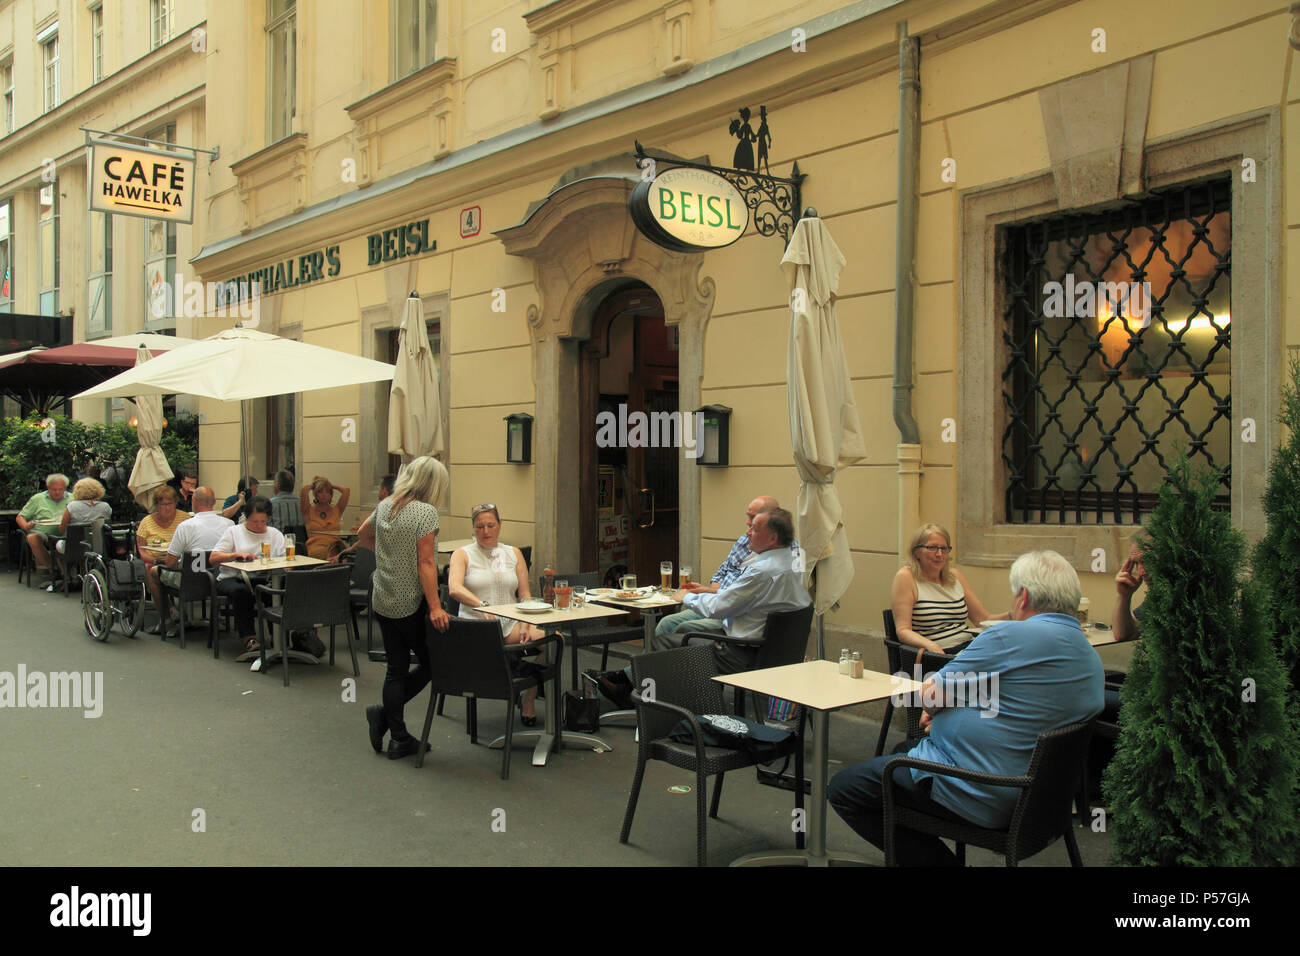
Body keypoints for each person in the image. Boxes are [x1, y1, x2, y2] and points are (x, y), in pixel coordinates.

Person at [828, 550, 1104, 866]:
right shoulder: (1088, 652)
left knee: (845, 789)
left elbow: (929, 697)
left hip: (987, 792)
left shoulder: (1008, 635)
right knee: (903, 749)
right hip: (1044, 804)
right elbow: (1025, 703)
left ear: (1023, 596)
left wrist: (943, 708)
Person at [590, 508, 811, 707]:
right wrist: (706, 592)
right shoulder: (791, 560)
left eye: (754, 529)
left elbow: (719, 608)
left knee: (665, 641)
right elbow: (741, 598)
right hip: (770, 649)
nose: (747, 533)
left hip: (743, 652)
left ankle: (644, 703)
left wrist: (686, 597)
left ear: (772, 538)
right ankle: (643, 688)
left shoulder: (762, 570)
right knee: (683, 629)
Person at [355, 457, 451, 759]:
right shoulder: (425, 512)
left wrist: (388, 558)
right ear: (432, 484)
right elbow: (425, 562)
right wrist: (435, 606)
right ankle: (387, 722)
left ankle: (396, 733)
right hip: (411, 601)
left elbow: (362, 535)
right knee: (433, 663)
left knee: (395, 669)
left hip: (383, 596)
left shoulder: (387, 504)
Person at [448, 504, 547, 726]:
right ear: (473, 528)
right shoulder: (462, 554)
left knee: (553, 639)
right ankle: (514, 668)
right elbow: (454, 588)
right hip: (477, 626)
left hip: (510, 624)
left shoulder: (513, 553)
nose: (485, 531)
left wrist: (525, 620)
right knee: (499, 649)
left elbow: (524, 595)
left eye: (490, 525)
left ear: (499, 526)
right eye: (479, 526)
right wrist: (482, 605)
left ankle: (528, 698)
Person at [655, 494, 797, 636]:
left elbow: (727, 605)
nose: (748, 527)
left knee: (684, 629)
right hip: (725, 604)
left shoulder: (765, 569)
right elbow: (725, 575)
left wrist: (687, 597)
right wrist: (710, 591)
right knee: (667, 624)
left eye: (754, 522)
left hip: (736, 624)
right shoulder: (754, 546)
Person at [891, 523, 1006, 656]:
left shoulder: (954, 576)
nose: (939, 554)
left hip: (968, 647)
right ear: (917, 552)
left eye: (944, 548)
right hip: (938, 654)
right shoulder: (906, 577)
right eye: (932, 548)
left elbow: (982, 619)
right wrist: (930, 645)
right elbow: (903, 630)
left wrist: (1012, 615)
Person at [209, 496, 285, 654]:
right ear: (246, 517)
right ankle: (249, 637)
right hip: (232, 577)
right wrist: (236, 555)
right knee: (241, 592)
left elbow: (284, 562)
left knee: (277, 590)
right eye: (254, 521)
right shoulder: (234, 532)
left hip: (264, 578)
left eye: (263, 522)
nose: (259, 526)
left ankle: (279, 636)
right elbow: (213, 558)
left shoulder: (275, 534)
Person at [158, 487, 234, 636]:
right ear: (213, 502)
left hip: (190, 582)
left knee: (155, 572)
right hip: (220, 579)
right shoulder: (230, 525)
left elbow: (170, 563)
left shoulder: (186, 526)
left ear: (193, 501)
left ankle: (168, 619)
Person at [137, 486, 192, 634]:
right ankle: (166, 617)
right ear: (156, 505)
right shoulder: (146, 522)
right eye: (163, 504)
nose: (167, 508)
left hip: (179, 562)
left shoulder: (185, 518)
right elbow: (141, 551)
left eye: (171, 504)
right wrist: (157, 561)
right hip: (156, 561)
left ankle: (176, 613)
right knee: (150, 570)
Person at [52, 478, 112, 590]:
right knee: (83, 550)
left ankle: (67, 578)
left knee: (58, 546)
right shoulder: (105, 507)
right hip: (96, 544)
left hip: (74, 546)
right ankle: (85, 577)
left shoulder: (72, 506)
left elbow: (62, 528)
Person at [16, 473, 70, 586]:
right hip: (43, 532)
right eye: (54, 489)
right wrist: (26, 526)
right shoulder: (38, 499)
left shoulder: (72, 498)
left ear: (65, 488)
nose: (57, 492)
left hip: (66, 532)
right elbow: (20, 517)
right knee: (32, 538)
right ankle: (53, 569)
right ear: (48, 488)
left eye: (60, 489)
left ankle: (71, 572)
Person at [301, 475, 351, 560]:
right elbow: (304, 490)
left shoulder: (337, 510)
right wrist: (315, 485)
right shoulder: (308, 510)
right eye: (320, 491)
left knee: (344, 551)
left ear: (331, 495)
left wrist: (331, 485)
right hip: (316, 547)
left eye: (327, 492)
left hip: (335, 545)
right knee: (337, 555)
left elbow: (346, 490)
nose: (324, 495)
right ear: (315, 494)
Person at [1113, 534, 1147, 644]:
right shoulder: (1156, 597)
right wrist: (1124, 596)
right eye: (1137, 563)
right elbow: (1124, 634)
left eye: (1148, 561)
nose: (1141, 572)